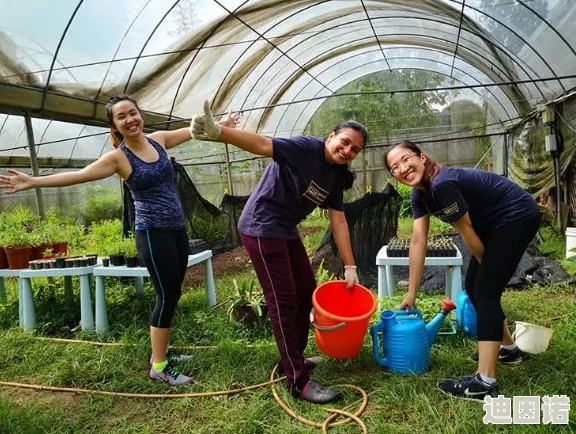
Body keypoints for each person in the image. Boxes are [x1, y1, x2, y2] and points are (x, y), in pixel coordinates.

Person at [0, 94, 238, 386]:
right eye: (122, 116)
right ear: (114, 126)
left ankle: (159, 354)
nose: (130, 119)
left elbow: (194, 131)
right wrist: (33, 181)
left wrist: (221, 124)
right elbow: (80, 176)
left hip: (176, 229)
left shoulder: (159, 139)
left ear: (141, 115)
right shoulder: (119, 158)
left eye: (133, 113)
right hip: (152, 233)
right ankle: (159, 367)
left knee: (174, 290)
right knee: (167, 295)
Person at [191, 101, 367, 404]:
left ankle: (293, 360)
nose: (347, 151)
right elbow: (261, 144)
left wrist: (350, 265)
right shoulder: (304, 149)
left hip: (284, 227)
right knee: (283, 301)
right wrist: (220, 132)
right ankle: (297, 382)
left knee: (305, 292)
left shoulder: (336, 175)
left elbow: (338, 220)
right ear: (330, 136)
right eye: (345, 142)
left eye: (355, 150)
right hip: (260, 226)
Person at [385, 140, 540, 402]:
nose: (402, 168)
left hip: (517, 215)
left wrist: (489, 272)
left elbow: (466, 230)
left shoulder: (443, 184)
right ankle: (509, 349)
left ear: (422, 157)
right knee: (474, 288)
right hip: (494, 222)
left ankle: (484, 383)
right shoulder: (420, 193)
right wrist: (412, 292)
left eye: (406, 159)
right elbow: (418, 241)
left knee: (485, 291)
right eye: (394, 167)